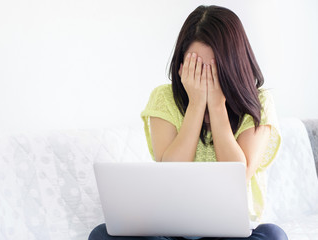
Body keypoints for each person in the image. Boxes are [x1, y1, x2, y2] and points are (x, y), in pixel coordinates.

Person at [88, 5, 288, 240]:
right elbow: (171, 172)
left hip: (231, 232)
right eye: (196, 67)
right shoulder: (164, 98)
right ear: (182, 65)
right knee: (102, 234)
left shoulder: (259, 102)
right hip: (172, 228)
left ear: (233, 64)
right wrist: (195, 105)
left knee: (274, 235)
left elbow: (237, 174)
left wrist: (215, 106)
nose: (204, 77)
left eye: (213, 69)